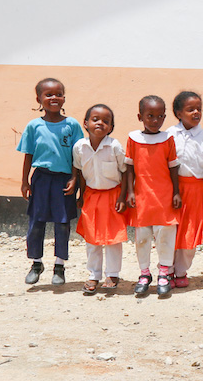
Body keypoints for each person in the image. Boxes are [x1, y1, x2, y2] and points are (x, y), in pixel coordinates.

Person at [18, 78, 84, 285]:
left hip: (64, 180)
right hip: (41, 179)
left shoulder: (72, 125)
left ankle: (59, 266)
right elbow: (28, 154)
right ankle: (36, 263)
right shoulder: (34, 126)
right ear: (39, 99)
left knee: (62, 224)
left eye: (59, 94)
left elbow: (78, 155)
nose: (54, 98)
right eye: (48, 95)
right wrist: (25, 181)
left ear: (64, 97)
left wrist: (75, 178)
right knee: (36, 222)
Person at [125, 95, 182, 297]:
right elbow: (129, 167)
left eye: (159, 116)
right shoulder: (133, 138)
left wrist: (176, 192)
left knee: (166, 234)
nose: (155, 120)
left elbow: (173, 167)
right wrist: (130, 191)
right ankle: (144, 273)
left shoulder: (168, 139)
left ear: (165, 117)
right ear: (140, 116)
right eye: (150, 116)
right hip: (142, 196)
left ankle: (164, 272)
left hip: (164, 196)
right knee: (142, 237)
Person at [73, 104, 128, 293]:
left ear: (111, 127)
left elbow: (126, 171)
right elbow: (79, 172)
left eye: (106, 121)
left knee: (113, 238)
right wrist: (80, 195)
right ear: (85, 123)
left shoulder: (114, 146)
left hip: (113, 194)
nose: (100, 123)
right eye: (95, 119)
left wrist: (123, 196)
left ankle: (112, 273)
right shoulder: (80, 147)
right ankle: (93, 275)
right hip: (91, 195)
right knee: (92, 238)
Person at [167, 91, 203, 288]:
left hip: (196, 189)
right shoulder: (169, 134)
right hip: (173, 189)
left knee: (189, 232)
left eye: (199, 109)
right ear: (178, 113)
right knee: (170, 230)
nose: (196, 112)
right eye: (190, 109)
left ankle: (181, 271)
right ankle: (166, 269)